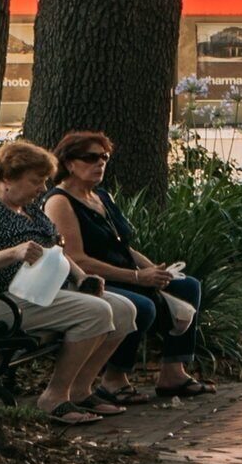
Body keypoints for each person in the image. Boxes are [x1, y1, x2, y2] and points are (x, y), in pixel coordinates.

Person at [44, 129, 209, 400]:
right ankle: (113, 379)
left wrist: (155, 270)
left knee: (187, 285)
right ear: (69, 163)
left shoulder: (101, 197)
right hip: (91, 278)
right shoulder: (60, 201)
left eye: (104, 157)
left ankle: (173, 372)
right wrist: (136, 277)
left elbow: (122, 245)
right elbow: (75, 257)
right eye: (91, 157)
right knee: (139, 304)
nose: (100, 163)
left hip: (126, 272)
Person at [0, 139, 142, 426]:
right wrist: (14, 253)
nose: (42, 189)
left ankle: (81, 389)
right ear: (8, 179)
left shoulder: (29, 207)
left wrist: (82, 276)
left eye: (44, 180)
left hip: (47, 290)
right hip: (9, 299)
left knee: (124, 310)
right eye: (36, 181)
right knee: (96, 312)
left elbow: (54, 247)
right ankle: (54, 397)